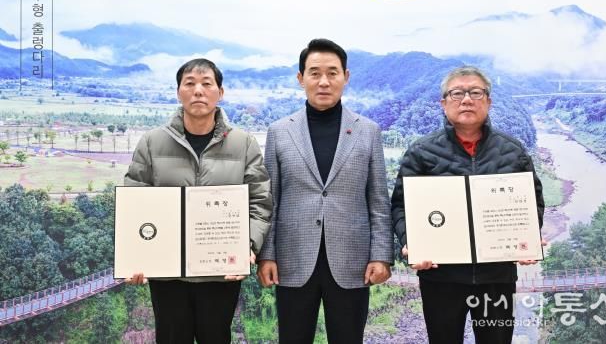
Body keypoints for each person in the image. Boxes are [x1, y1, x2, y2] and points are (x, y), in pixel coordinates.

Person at [390, 66, 545, 344]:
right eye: (457, 93)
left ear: (489, 101)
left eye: (475, 92)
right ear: (443, 103)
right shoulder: (421, 152)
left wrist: (527, 239)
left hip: (496, 276)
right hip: (441, 276)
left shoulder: (512, 151)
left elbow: (533, 201)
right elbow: (401, 206)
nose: (466, 100)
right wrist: (409, 242)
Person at [124, 58, 272, 344]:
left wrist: (249, 245)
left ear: (220, 92)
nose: (198, 91)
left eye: (207, 84)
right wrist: (135, 256)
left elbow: (260, 201)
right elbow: (135, 201)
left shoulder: (243, 144)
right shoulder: (152, 142)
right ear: (178, 91)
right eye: (189, 83)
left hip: (220, 272)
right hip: (167, 273)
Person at [257, 38, 393, 343]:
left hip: (352, 261)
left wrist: (381, 256)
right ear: (300, 78)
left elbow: (378, 202)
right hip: (292, 259)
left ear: (346, 76)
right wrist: (266, 255)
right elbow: (270, 201)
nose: (323, 81)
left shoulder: (368, 131)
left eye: (332, 73)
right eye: (314, 73)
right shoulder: (279, 131)